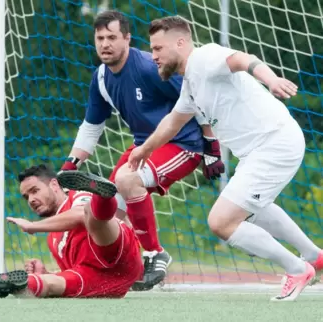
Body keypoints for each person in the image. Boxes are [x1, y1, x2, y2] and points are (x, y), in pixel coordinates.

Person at [127, 15, 323, 301]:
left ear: (180, 43)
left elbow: (244, 59)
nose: (153, 56)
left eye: (158, 48)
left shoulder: (206, 58)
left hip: (274, 144)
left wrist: (272, 79)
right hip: (262, 150)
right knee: (252, 208)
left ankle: (297, 269)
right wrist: (143, 150)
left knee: (221, 221)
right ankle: (314, 257)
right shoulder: (191, 82)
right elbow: (173, 122)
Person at [60, 9, 225, 291]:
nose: (105, 44)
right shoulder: (101, 77)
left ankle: (154, 253)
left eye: (112, 37)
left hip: (183, 145)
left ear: (127, 38)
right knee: (104, 211)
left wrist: (211, 145)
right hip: (144, 147)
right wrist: (71, 164)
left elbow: (196, 95)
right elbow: (92, 125)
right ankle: (118, 269)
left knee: (127, 181)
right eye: (100, 38)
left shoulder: (151, 66)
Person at [0, 165, 143, 299]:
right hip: (100, 281)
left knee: (90, 212)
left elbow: (79, 214)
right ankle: (10, 283)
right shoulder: (52, 239)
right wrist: (45, 273)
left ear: (54, 184)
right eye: (26, 197)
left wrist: (32, 226)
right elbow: (73, 271)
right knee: (52, 285)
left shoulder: (77, 196)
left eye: (35, 191)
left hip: (119, 254)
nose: (31, 200)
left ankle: (103, 197)